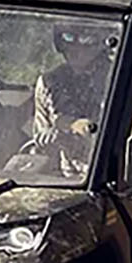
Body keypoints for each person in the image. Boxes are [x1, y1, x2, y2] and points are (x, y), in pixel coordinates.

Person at [16, 26, 110, 176]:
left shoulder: (117, 78)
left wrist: (72, 135)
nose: (75, 47)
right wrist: (50, 139)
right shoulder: (50, 82)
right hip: (62, 177)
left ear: (100, 42)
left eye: (86, 39)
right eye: (68, 38)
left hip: (102, 175)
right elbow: (42, 145)